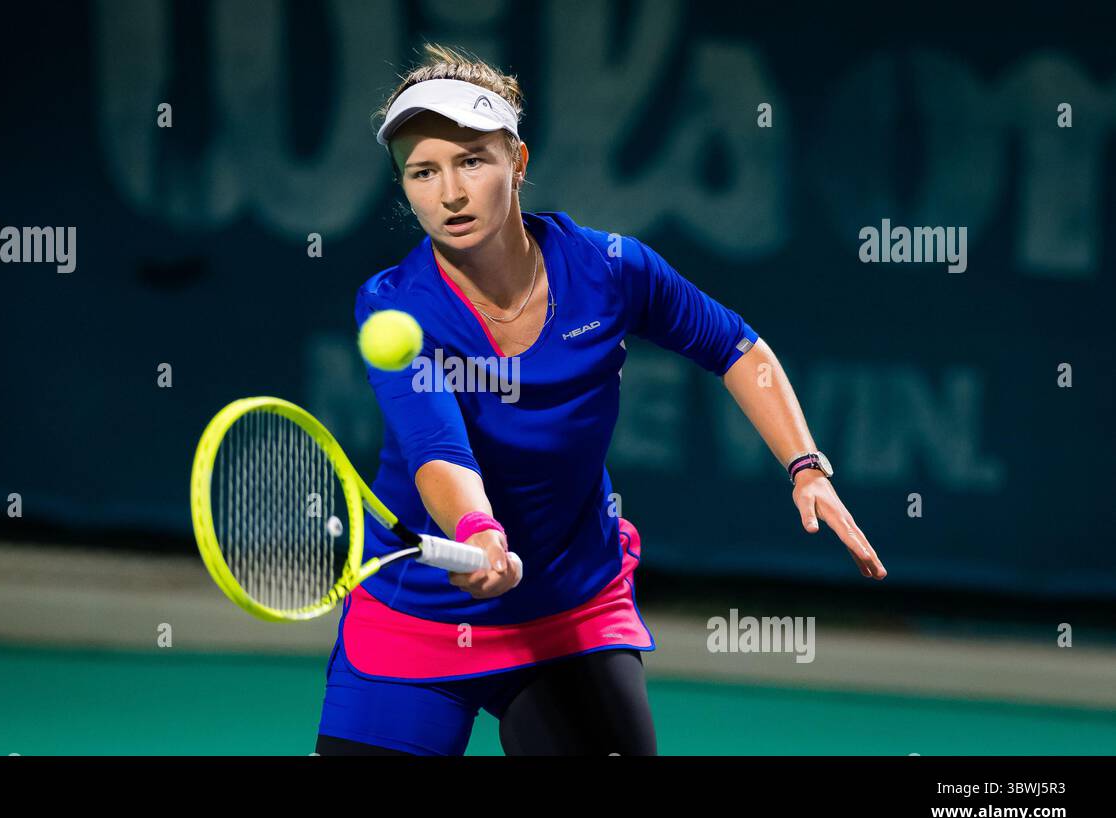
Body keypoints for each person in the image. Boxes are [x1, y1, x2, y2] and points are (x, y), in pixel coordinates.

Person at [314, 44, 886, 756]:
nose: (450, 193)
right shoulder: (395, 307)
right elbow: (436, 448)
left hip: (567, 604)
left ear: (517, 164)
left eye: (472, 161)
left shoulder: (610, 270)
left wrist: (806, 465)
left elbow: (735, 347)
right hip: (420, 611)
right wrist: (478, 534)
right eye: (422, 172)